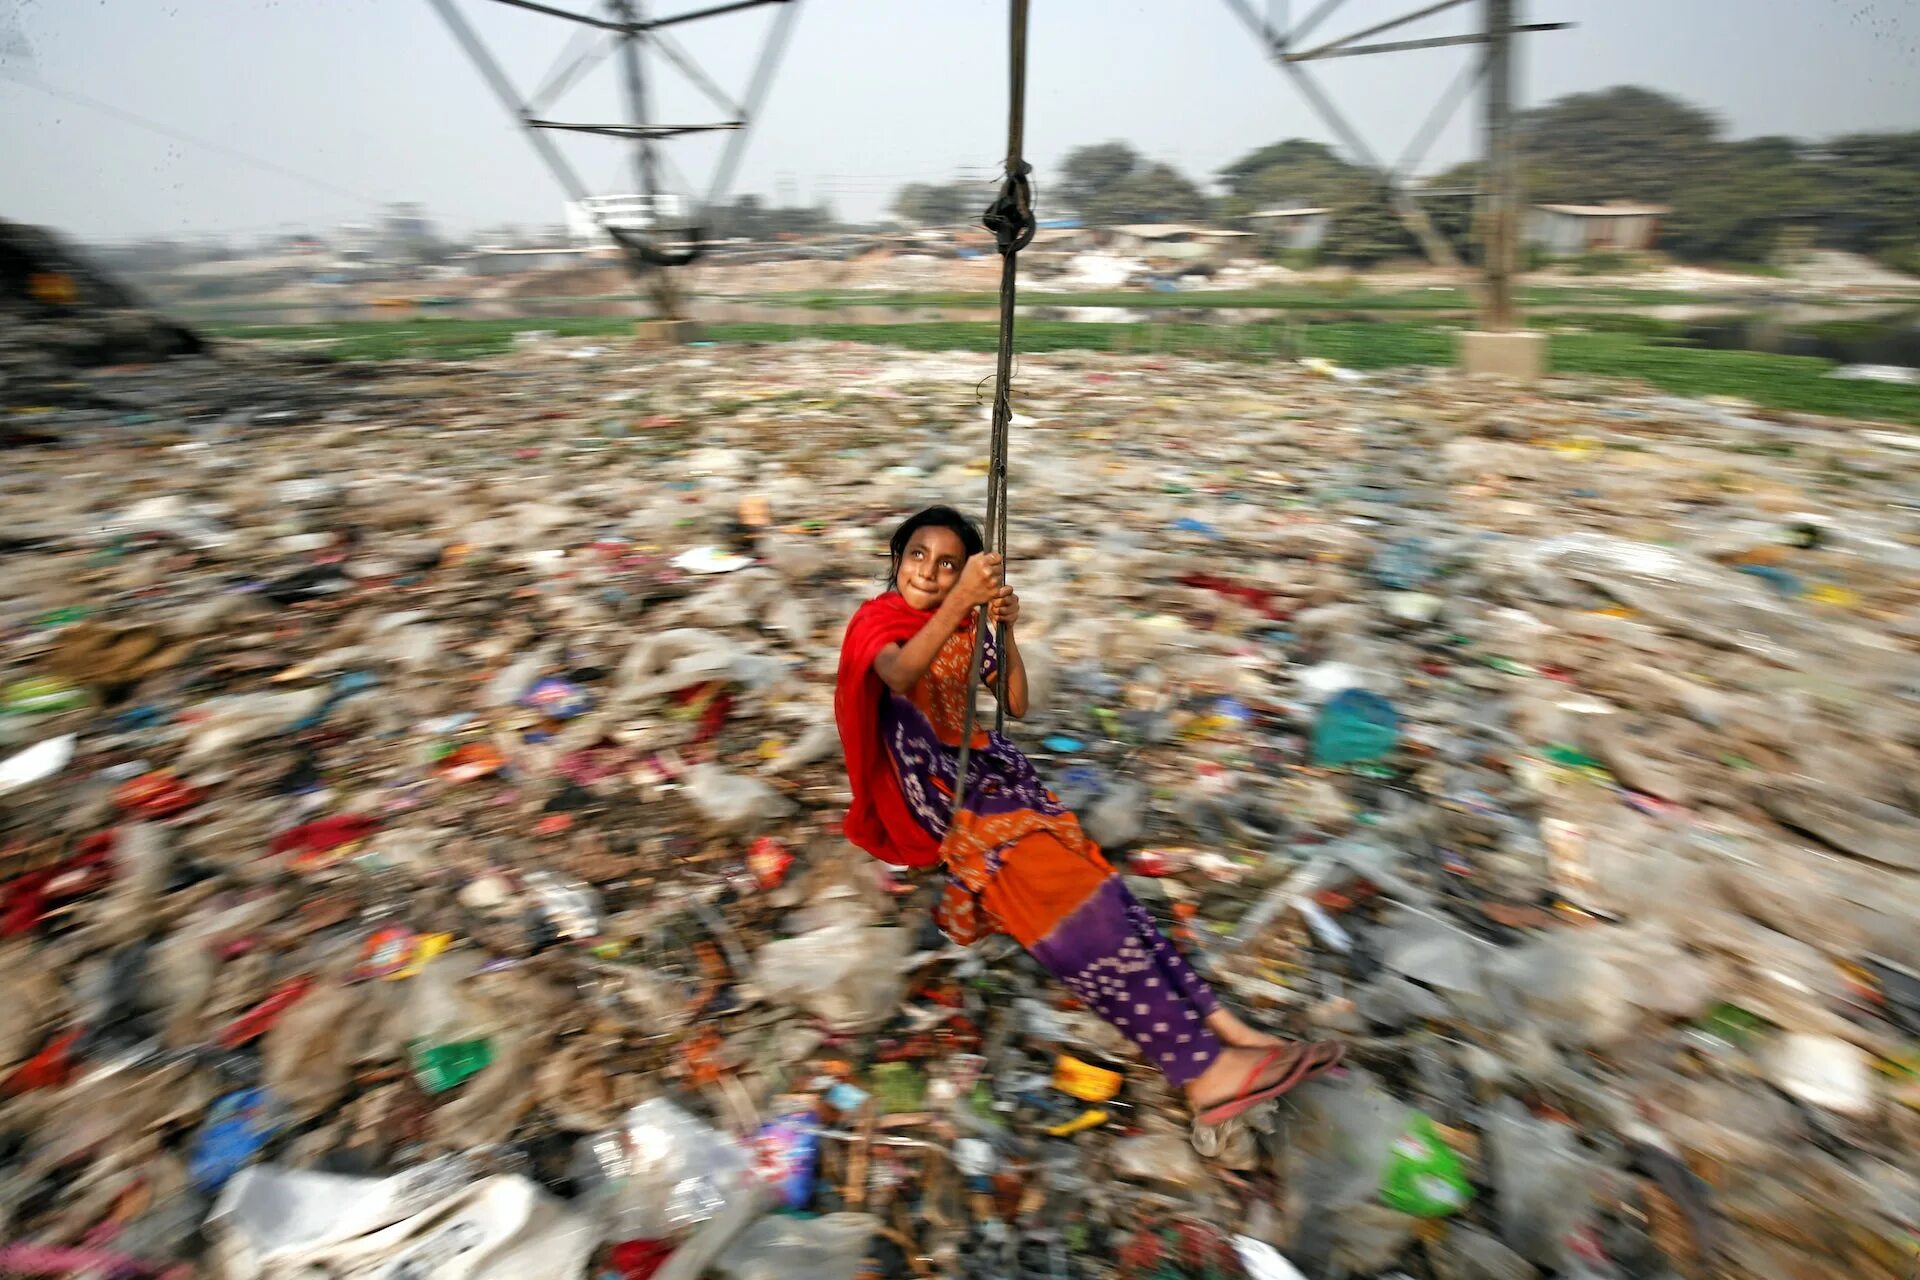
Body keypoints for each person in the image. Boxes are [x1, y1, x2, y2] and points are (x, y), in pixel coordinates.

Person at [835, 506, 1341, 1125]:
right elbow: (900, 671)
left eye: (949, 565)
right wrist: (960, 600)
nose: (930, 573)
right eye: (918, 555)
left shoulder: (965, 628)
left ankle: (1224, 1026)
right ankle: (1201, 1070)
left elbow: (1015, 702)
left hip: (985, 774)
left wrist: (1003, 628)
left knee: (1104, 888)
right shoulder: (876, 621)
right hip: (935, 796)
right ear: (895, 558)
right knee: (1070, 911)